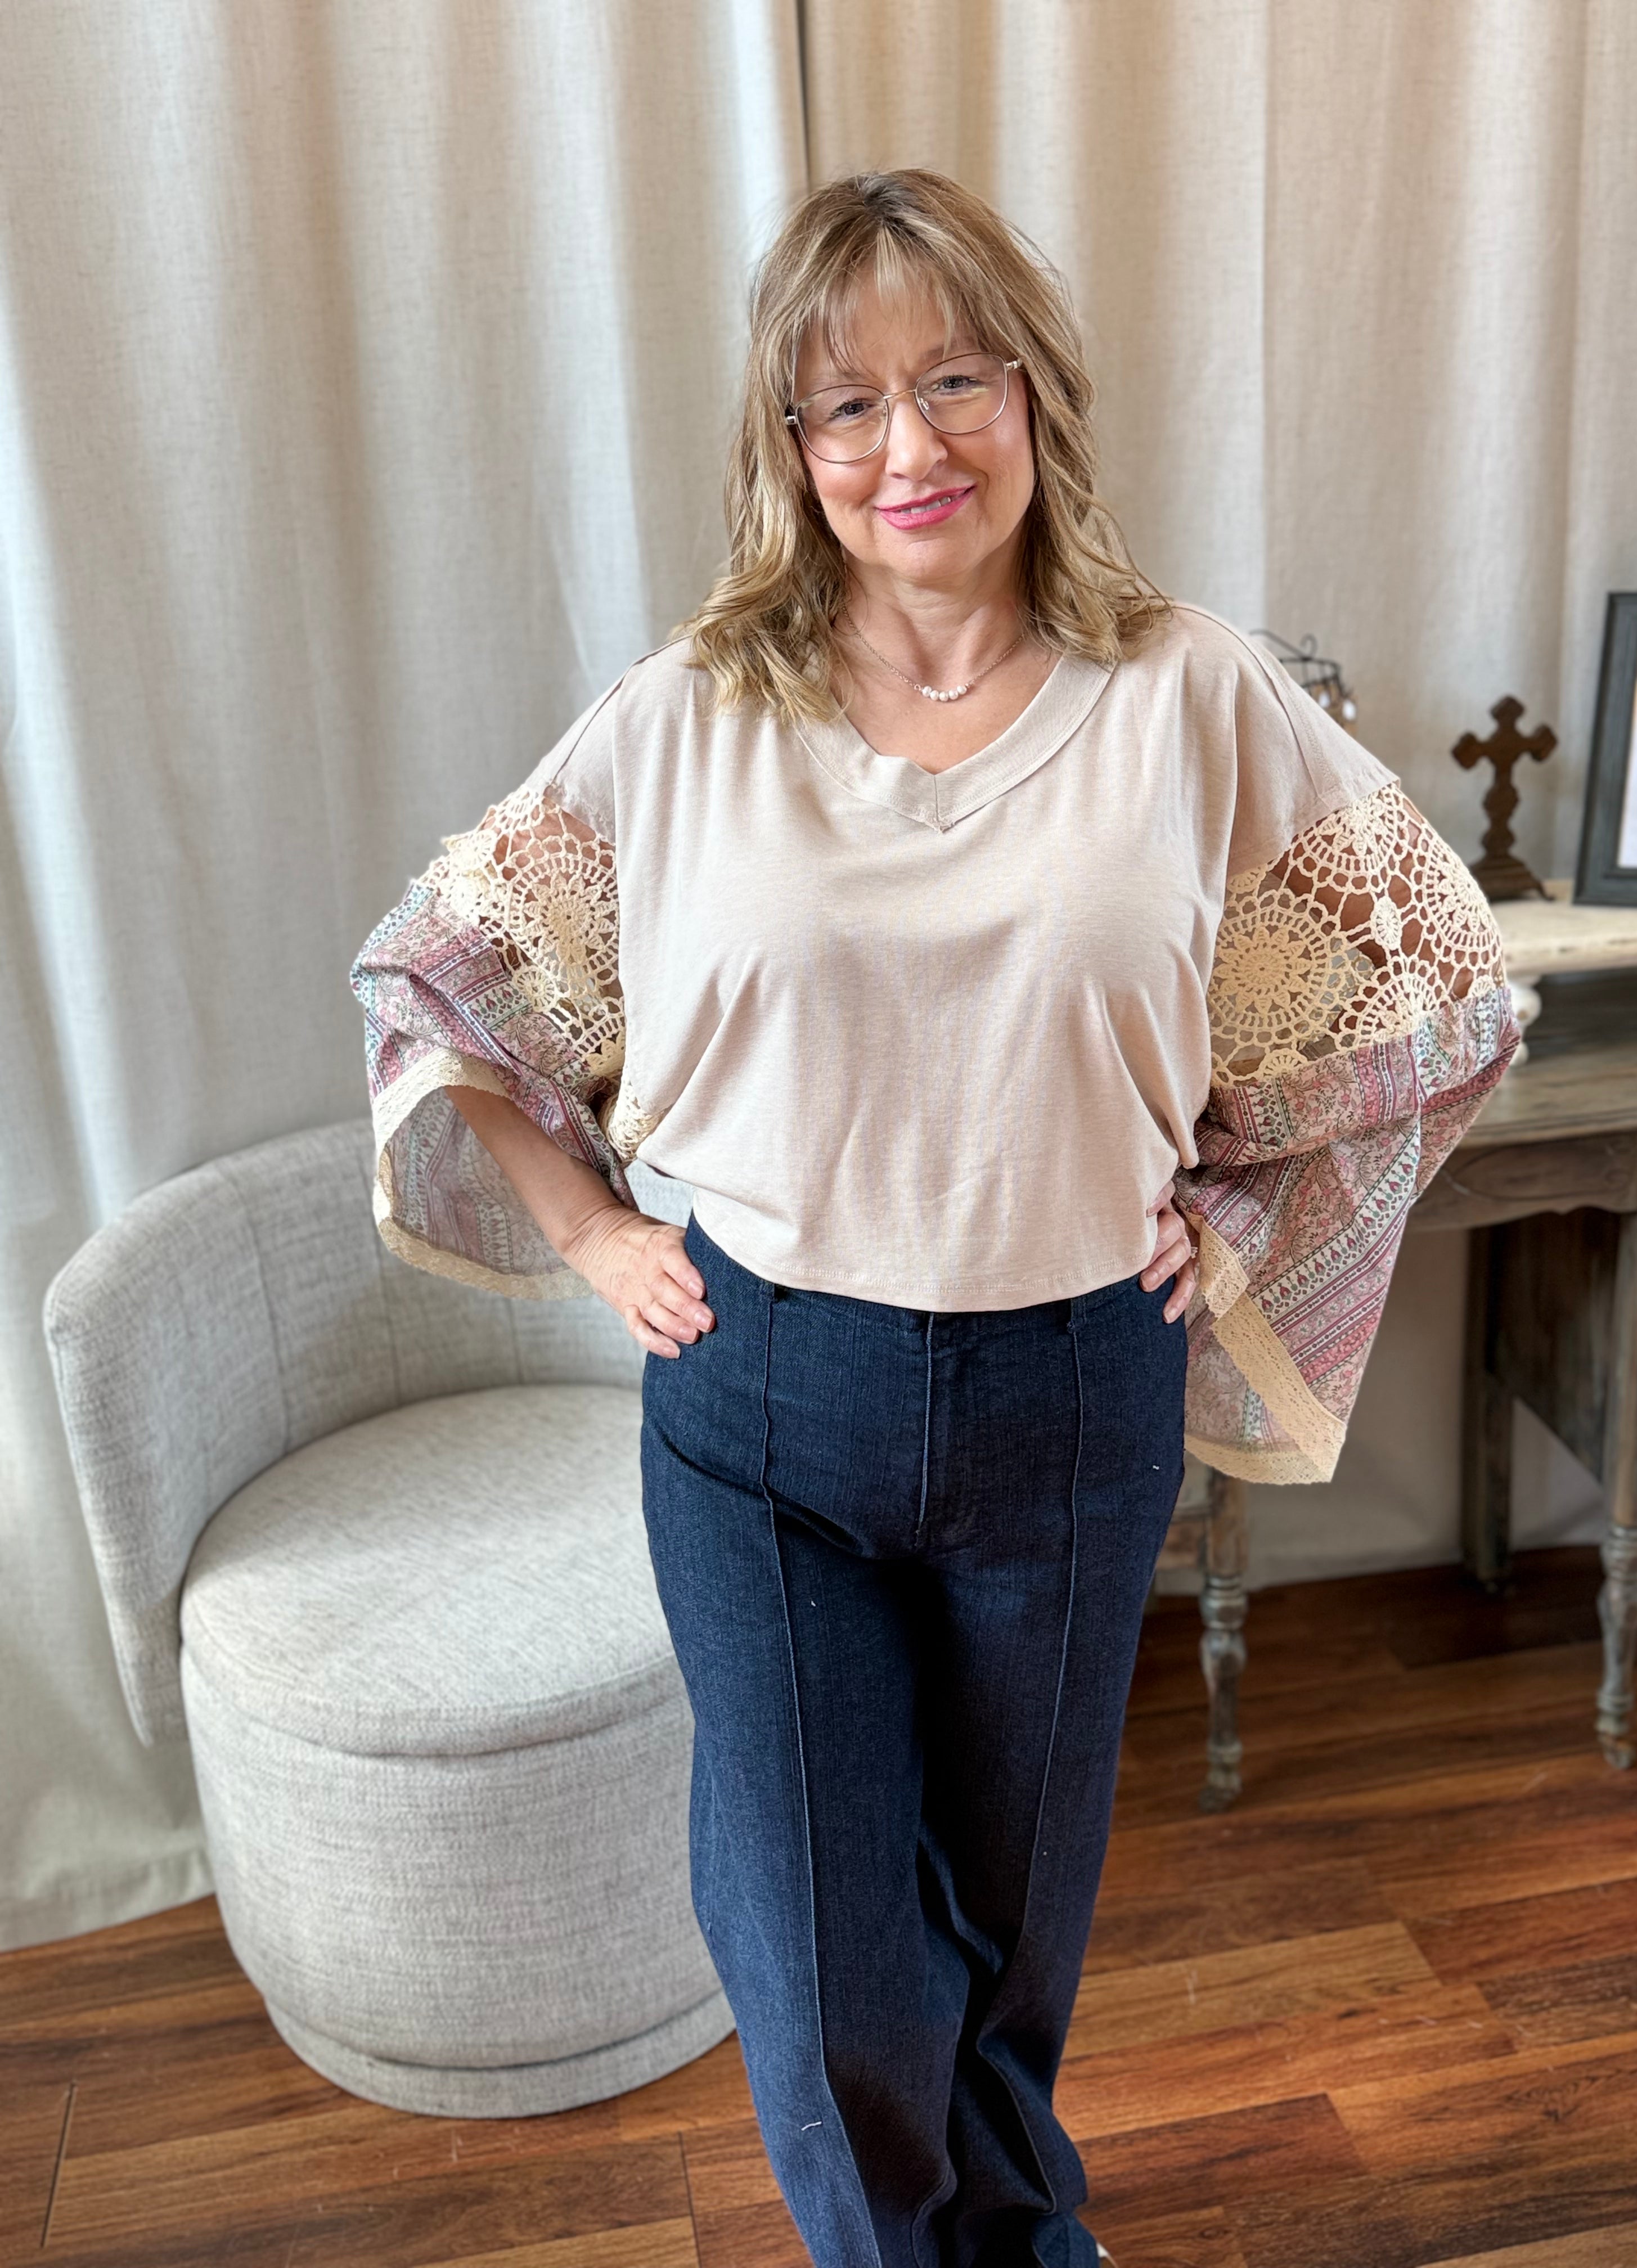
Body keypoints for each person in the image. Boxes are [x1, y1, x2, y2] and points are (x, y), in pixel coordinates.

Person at [350, 169, 1517, 2268]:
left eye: (955, 379)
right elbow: (442, 980)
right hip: (762, 1398)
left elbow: (1434, 988)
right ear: (787, 453)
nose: (910, 448)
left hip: (1072, 1392)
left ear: (1037, 397)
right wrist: (597, 1230)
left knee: (1004, 1942)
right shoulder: (693, 709)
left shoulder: (1193, 693)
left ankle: (1009, 2235)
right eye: (845, 406)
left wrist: (1241, 1206)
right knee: (817, 1966)